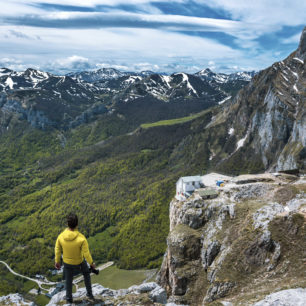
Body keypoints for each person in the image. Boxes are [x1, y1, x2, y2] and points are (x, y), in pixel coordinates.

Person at [55, 213, 96, 304]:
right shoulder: (81, 238)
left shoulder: (61, 236)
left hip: (67, 263)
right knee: (86, 274)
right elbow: (86, 254)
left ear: (67, 224)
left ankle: (69, 299)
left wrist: (57, 261)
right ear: (77, 224)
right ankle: (89, 294)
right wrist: (92, 264)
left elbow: (57, 249)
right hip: (80, 262)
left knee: (68, 280)